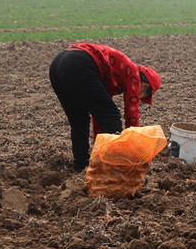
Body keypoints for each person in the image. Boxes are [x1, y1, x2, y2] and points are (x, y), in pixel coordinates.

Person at [48, 43, 162, 171]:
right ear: (146, 85)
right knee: (112, 117)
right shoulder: (134, 74)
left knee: (79, 121)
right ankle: (112, 167)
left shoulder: (113, 78)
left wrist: (99, 143)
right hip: (78, 63)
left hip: (58, 65)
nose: (141, 98)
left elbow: (99, 116)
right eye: (145, 95)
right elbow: (131, 113)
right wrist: (132, 146)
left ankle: (81, 166)